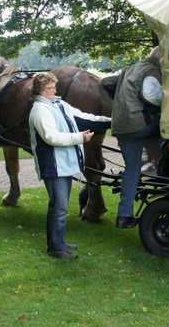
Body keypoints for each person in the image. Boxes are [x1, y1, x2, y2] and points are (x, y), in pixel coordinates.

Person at [28, 72, 111, 258]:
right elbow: (51, 137)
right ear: (40, 91)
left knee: (58, 207)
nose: (54, 90)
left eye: (53, 87)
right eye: (49, 88)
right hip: (53, 166)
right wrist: (80, 138)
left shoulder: (58, 104)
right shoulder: (40, 110)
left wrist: (110, 121)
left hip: (62, 165)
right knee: (60, 208)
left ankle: (58, 243)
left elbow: (84, 117)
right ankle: (57, 249)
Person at [112, 47, 163, 229]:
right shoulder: (152, 71)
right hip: (139, 126)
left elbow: (107, 82)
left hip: (120, 126)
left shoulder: (129, 68)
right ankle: (163, 169)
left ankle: (124, 216)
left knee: (131, 170)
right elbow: (153, 97)